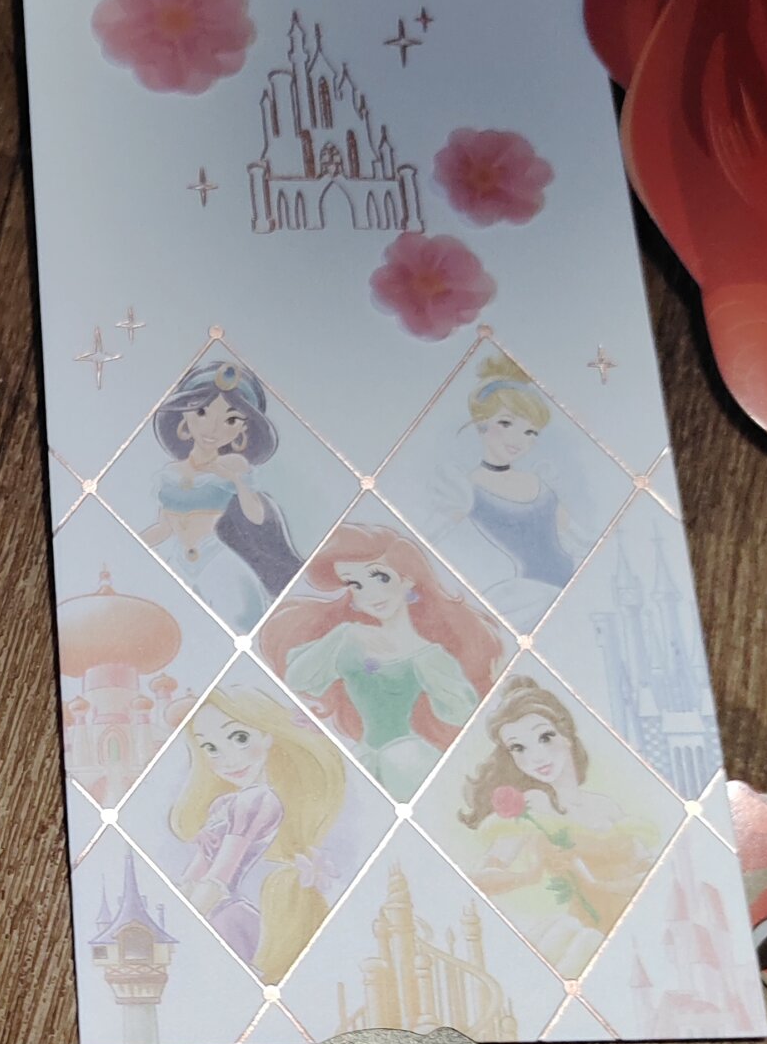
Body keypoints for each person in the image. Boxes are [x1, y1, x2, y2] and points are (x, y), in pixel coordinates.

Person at [262, 524, 504, 799]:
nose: (371, 594)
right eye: (355, 584)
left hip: (410, 759)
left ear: (407, 578)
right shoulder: (349, 639)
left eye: (380, 577)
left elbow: (461, 714)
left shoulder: (428, 655)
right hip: (366, 758)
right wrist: (341, 635)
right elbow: (297, 679)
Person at [455, 676, 659, 975]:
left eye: (545, 737)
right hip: (585, 937)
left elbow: (650, 871)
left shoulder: (605, 806)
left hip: (636, 933)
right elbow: (478, 879)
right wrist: (530, 874)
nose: (536, 757)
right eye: (518, 748)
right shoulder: (533, 807)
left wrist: (602, 885)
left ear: (566, 735)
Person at [168, 686, 349, 983]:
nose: (228, 759)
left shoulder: (258, 801)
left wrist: (182, 925)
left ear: (268, 735)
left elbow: (218, 878)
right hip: (216, 909)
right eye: (210, 748)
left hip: (228, 914)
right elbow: (194, 875)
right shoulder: (223, 804)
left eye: (240, 738)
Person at [138, 361, 304, 625]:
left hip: (216, 561)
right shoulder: (170, 473)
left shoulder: (233, 466)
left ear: (242, 429)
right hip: (178, 562)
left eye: (230, 419)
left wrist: (236, 481)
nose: (213, 429)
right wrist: (131, 544)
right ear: (185, 416)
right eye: (201, 412)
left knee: (240, 621)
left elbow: (256, 517)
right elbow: (164, 528)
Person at [450, 354, 581, 629]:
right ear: (481, 423)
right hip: (525, 598)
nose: (517, 440)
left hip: (571, 587)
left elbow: (573, 533)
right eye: (506, 423)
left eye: (530, 432)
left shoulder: (538, 482)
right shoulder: (467, 488)